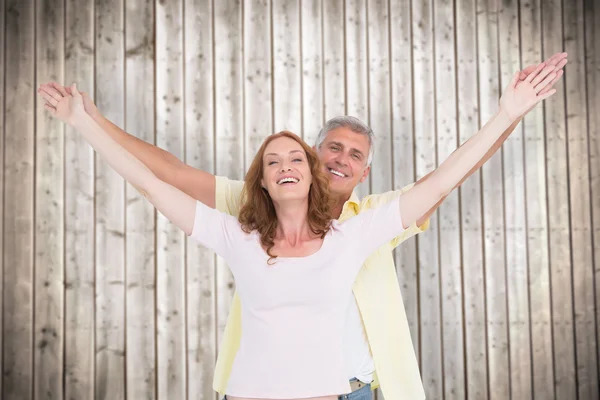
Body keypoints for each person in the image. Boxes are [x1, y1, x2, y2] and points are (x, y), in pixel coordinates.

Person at [38, 53, 566, 400]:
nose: (339, 159)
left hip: (350, 389)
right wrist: (87, 119)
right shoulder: (241, 223)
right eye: (329, 148)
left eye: (354, 155)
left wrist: (511, 112)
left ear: (365, 171)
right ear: (286, 170)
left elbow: (446, 177)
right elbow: (161, 180)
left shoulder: (363, 227)